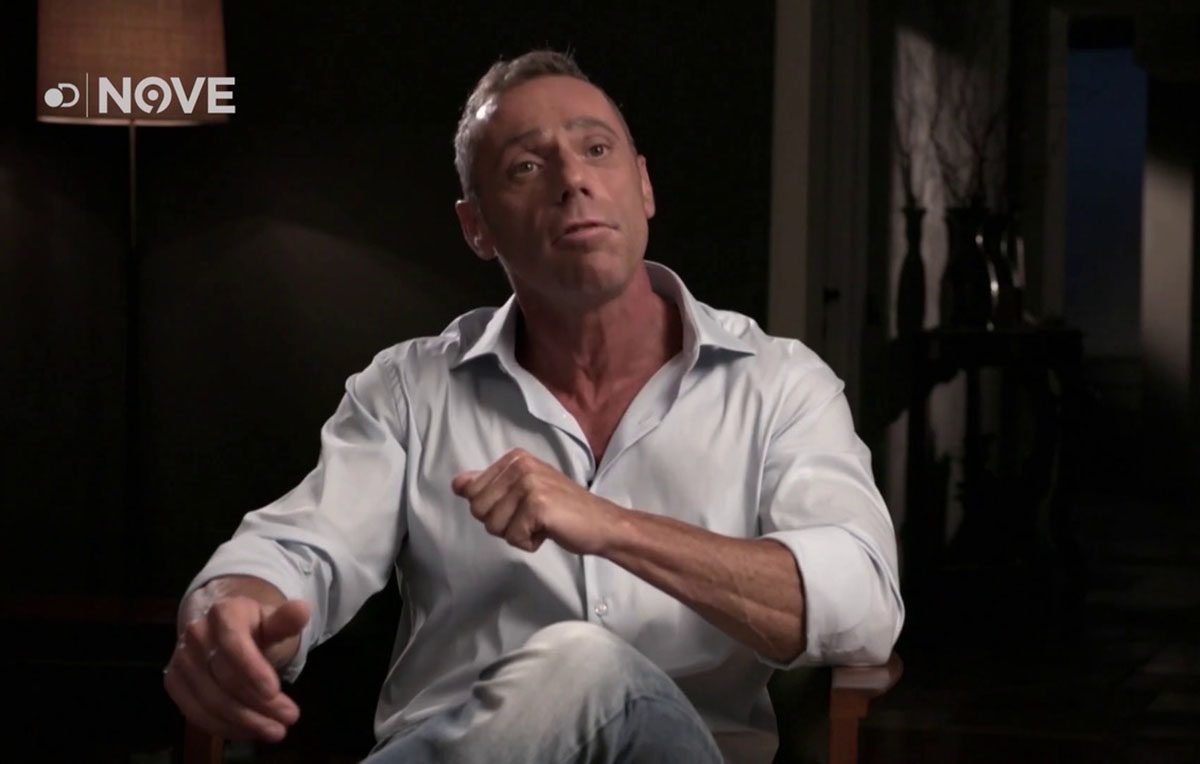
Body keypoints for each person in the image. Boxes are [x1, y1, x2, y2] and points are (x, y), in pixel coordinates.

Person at [163, 50, 904, 763]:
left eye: (597, 150)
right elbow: (300, 550)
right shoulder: (410, 390)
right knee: (577, 665)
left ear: (644, 186)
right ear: (476, 226)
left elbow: (863, 604)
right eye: (526, 165)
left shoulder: (779, 385)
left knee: (588, 664)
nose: (573, 180)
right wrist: (231, 609)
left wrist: (612, 527)